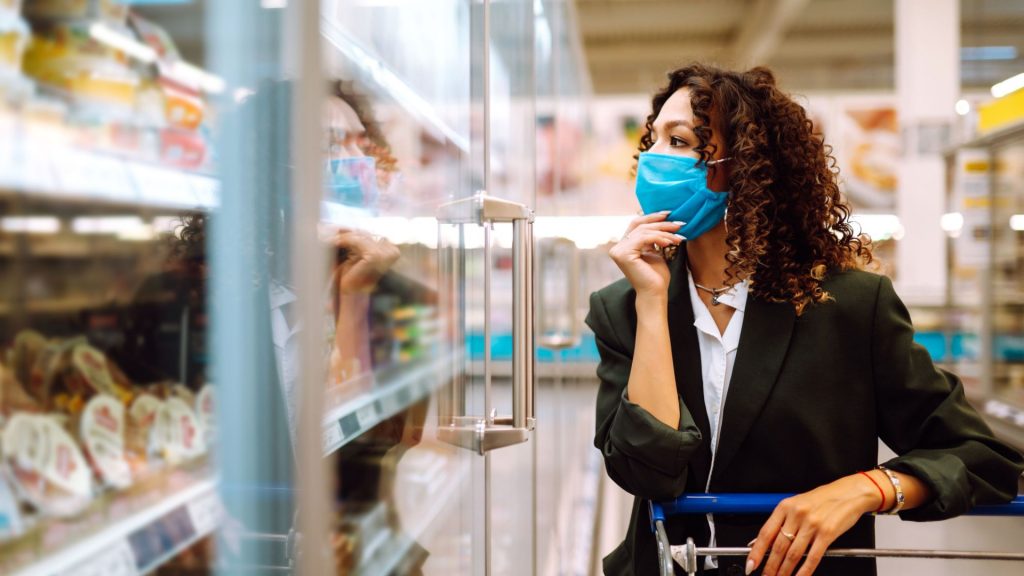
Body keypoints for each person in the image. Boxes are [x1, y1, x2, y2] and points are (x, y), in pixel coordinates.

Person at [586, 63, 1024, 576]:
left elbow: (980, 454)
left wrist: (868, 488)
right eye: (653, 137)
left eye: (680, 141)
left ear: (743, 165)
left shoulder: (851, 307)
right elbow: (647, 472)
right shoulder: (624, 306)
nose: (653, 157)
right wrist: (653, 304)